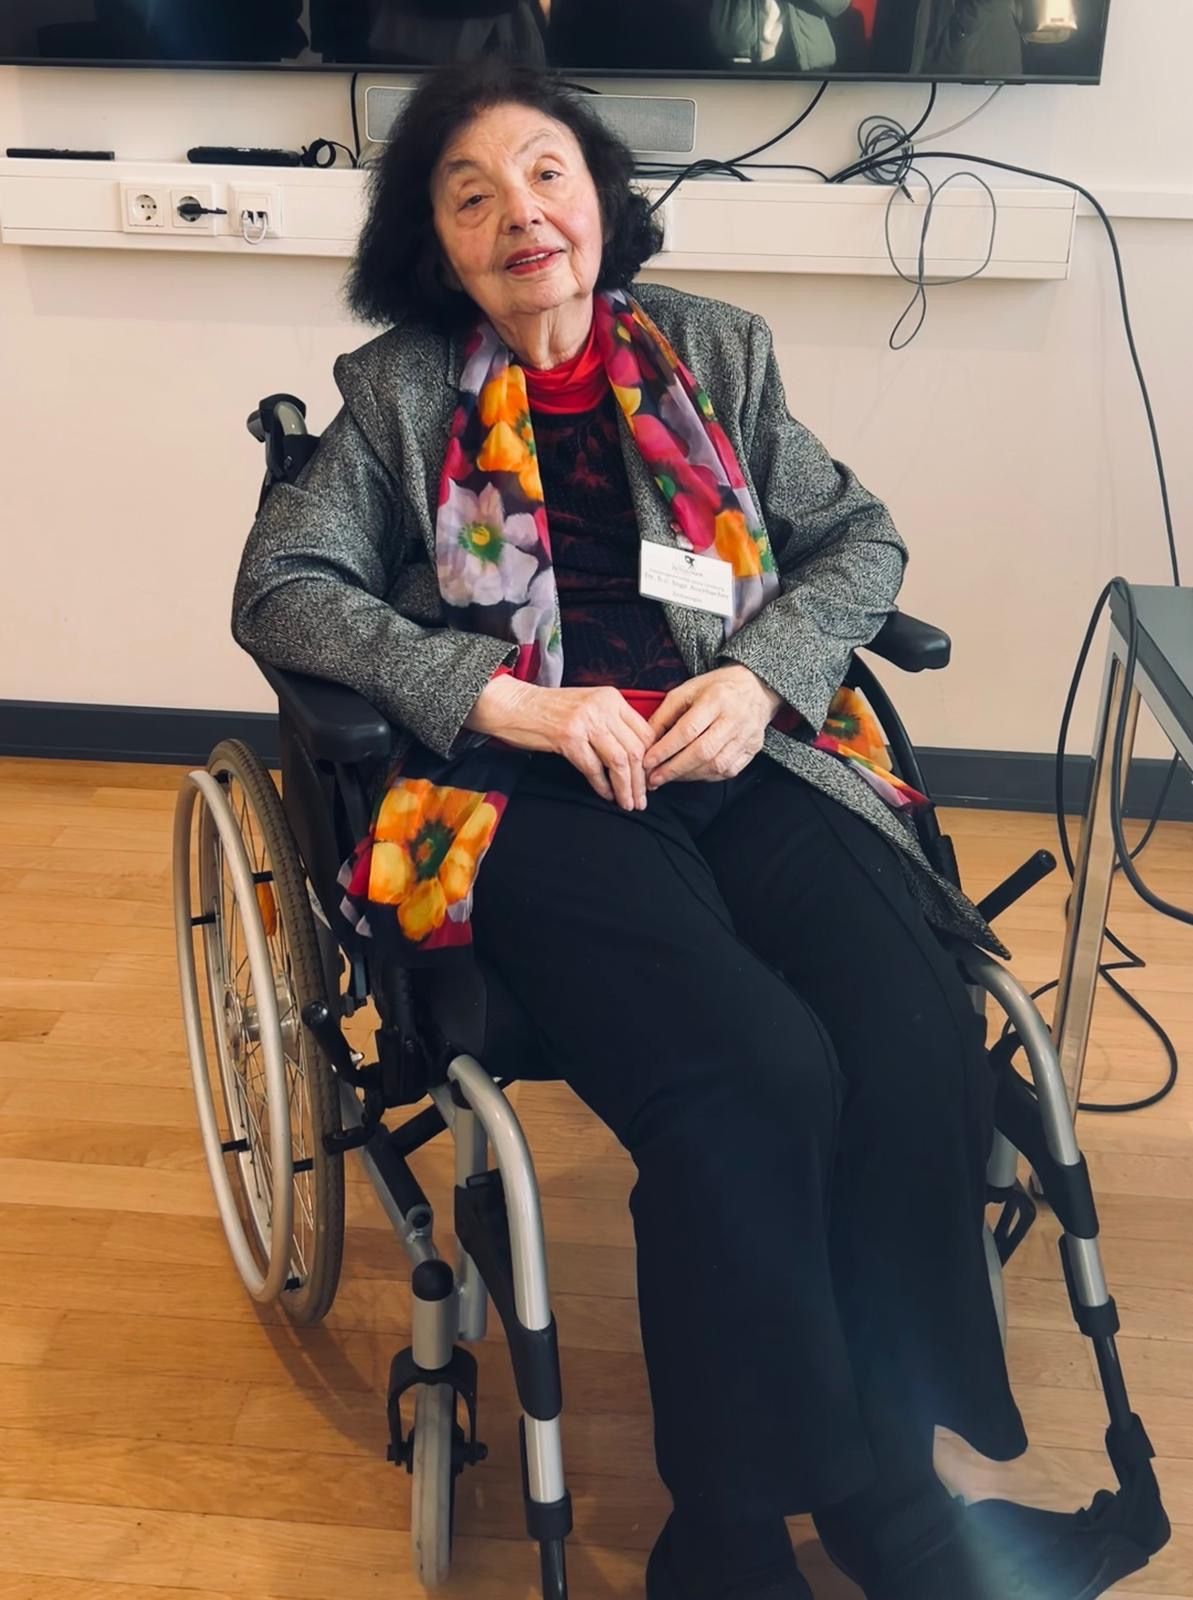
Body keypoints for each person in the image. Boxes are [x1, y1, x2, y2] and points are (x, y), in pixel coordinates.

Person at [231, 58, 1133, 1600]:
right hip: (523, 788)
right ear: (433, 244)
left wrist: (762, 672)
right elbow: (283, 590)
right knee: (753, 1073)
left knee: (909, 1040)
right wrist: (498, 696)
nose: (520, 213)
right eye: (470, 195)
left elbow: (857, 540)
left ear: (598, 198)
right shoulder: (394, 394)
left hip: (741, 755)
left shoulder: (717, 351)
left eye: (546, 174)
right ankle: (724, 1536)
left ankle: (890, 1494)